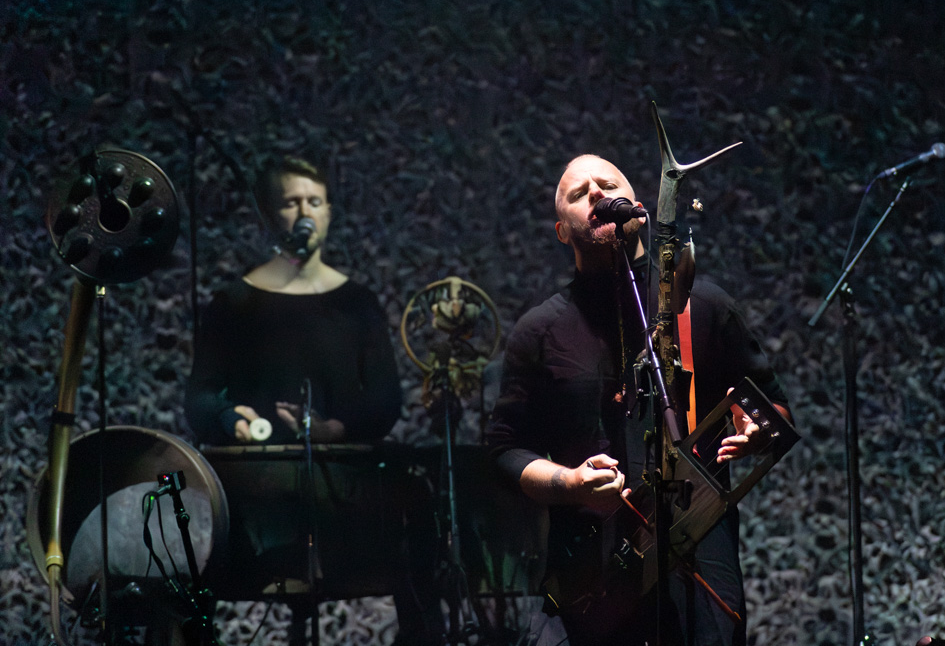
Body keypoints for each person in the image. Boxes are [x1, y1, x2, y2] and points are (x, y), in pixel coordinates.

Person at [487, 154, 791, 646]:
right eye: (578, 193)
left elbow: (776, 410)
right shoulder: (539, 329)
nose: (596, 194)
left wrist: (757, 432)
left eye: (607, 184)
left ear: (640, 210)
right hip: (591, 574)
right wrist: (569, 483)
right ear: (562, 231)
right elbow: (503, 450)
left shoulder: (704, 306)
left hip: (698, 561)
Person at [184, 156, 440, 645]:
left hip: (343, 487)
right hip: (253, 493)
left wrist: (335, 429)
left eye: (314, 201)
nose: (305, 212)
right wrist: (227, 417)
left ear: (328, 212)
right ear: (268, 214)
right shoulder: (234, 304)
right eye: (290, 202)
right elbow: (197, 396)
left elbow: (386, 400)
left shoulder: (357, 303)